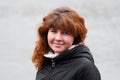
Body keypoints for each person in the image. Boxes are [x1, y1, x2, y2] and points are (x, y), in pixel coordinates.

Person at [32, 7, 101, 80]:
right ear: (46, 33)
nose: (58, 38)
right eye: (54, 31)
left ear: (76, 36)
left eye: (65, 33)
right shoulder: (46, 62)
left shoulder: (85, 68)